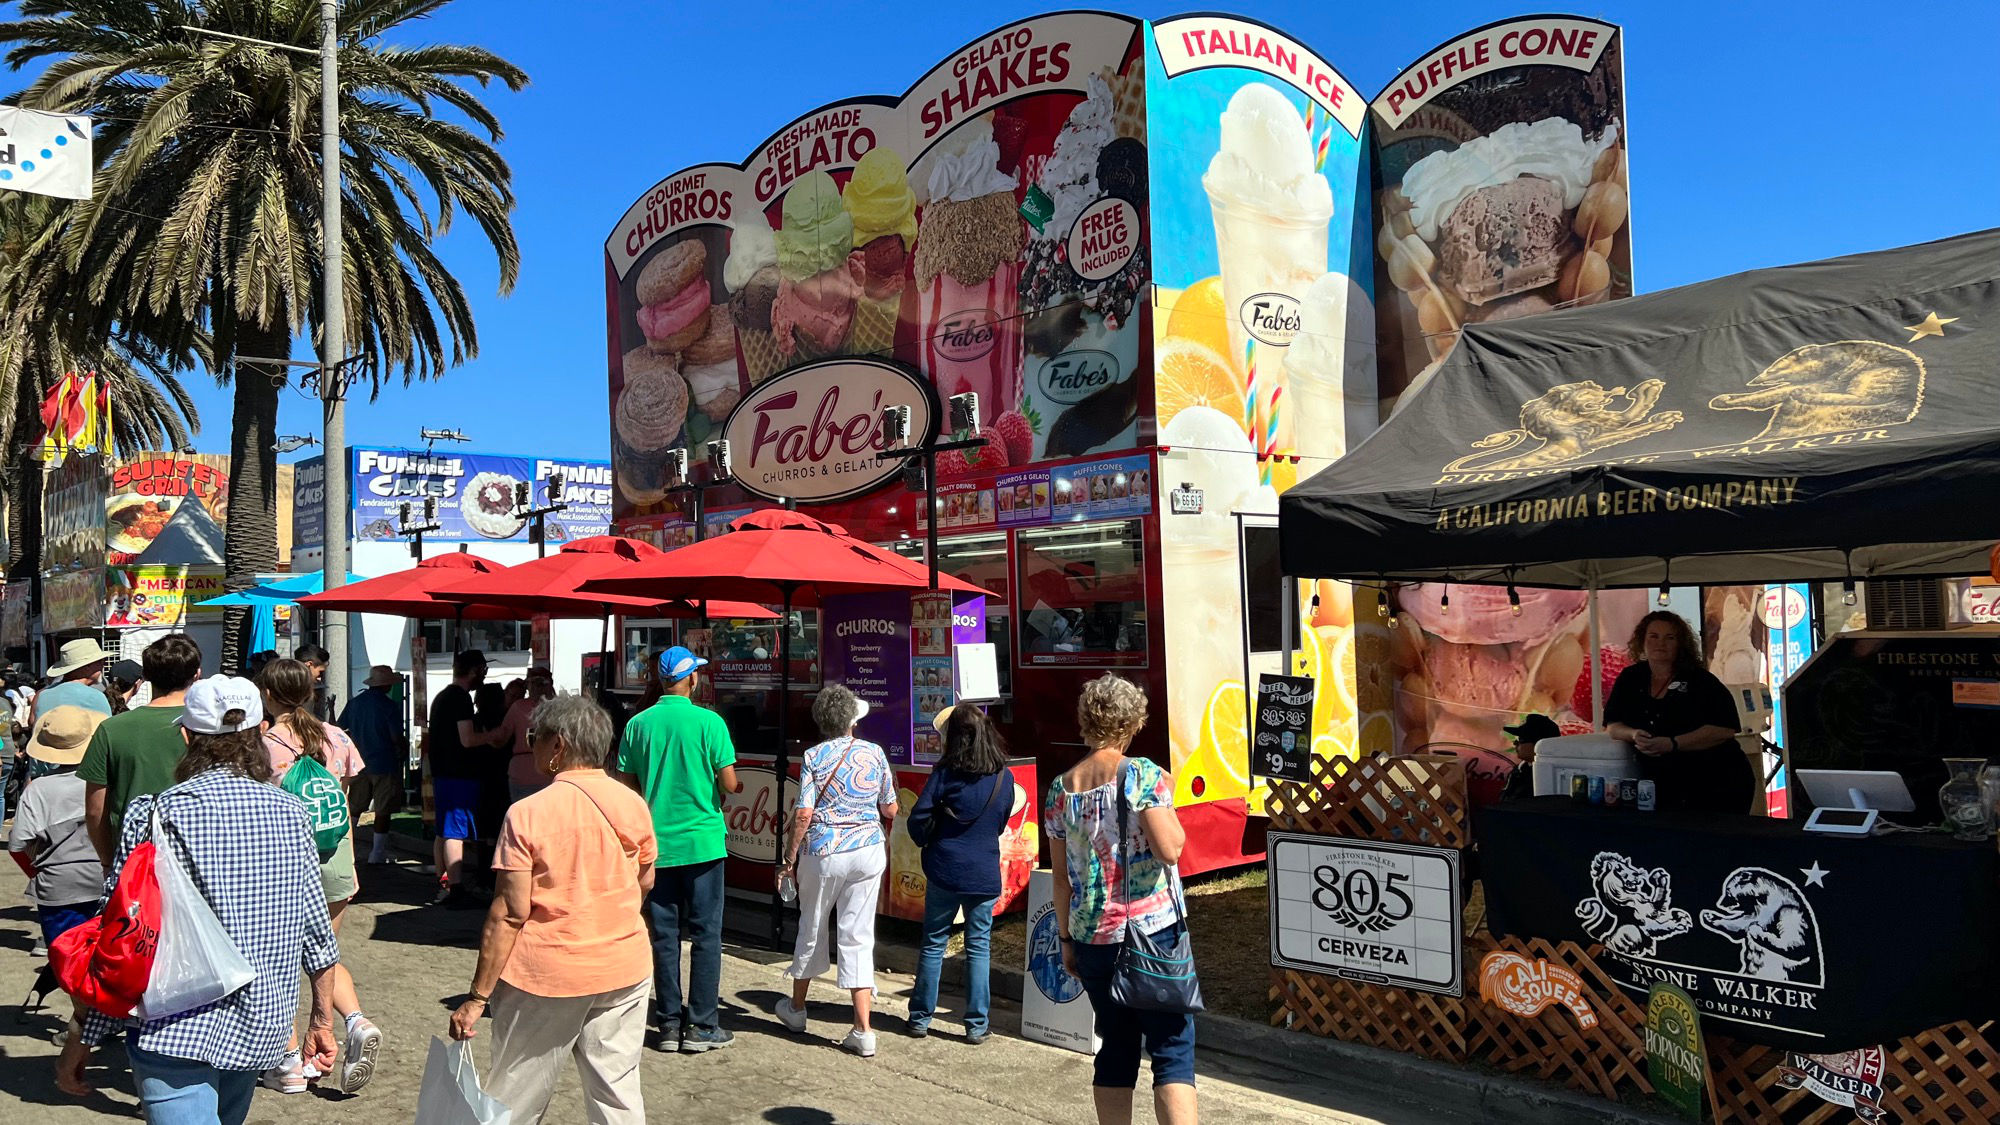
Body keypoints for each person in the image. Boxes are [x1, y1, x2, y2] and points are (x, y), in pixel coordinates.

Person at [57, 675, 341, 1124]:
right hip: (260, 1022)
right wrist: (322, 1020)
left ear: (188, 735)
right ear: (259, 732)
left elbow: (120, 929)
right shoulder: (291, 813)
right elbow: (316, 929)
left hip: (172, 1020)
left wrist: (84, 1035)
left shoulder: (156, 812)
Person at [449, 695, 656, 1124]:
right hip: (624, 964)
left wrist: (476, 997)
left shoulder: (527, 813)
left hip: (547, 974)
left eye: (533, 738)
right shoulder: (633, 803)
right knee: (617, 1092)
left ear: (557, 745)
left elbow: (508, 912)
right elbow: (644, 880)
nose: (531, 746)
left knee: (515, 1094)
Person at [1047, 674, 1196, 1125]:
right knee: (1172, 1047)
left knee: (1116, 1044)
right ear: (1132, 722)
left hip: (1093, 937)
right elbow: (1170, 849)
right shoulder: (1142, 775)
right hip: (1152, 936)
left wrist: (1066, 941)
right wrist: (1165, 801)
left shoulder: (1062, 787)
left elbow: (1061, 881)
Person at [257, 658, 380, 1095]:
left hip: (288, 867)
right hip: (336, 861)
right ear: (310, 693)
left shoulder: (263, 746)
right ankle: (355, 1021)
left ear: (267, 695)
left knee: (282, 964)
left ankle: (290, 1062)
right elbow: (345, 799)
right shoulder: (338, 737)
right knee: (325, 955)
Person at [612, 645, 741, 1054]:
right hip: (702, 843)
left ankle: (668, 1023)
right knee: (706, 935)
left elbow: (626, 784)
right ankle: (702, 1025)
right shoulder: (710, 722)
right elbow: (731, 782)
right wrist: (721, 787)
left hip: (656, 846)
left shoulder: (638, 724)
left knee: (664, 937)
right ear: (691, 678)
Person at [776, 684, 897, 1058]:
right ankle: (863, 1030)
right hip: (868, 851)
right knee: (858, 935)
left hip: (824, 853)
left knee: (812, 924)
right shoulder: (874, 753)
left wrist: (789, 858)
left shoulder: (813, 756)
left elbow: (803, 814)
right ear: (852, 720)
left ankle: (797, 1010)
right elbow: (890, 809)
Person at [905, 704, 1013, 1043]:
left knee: (934, 943)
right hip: (983, 872)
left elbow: (918, 819)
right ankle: (977, 1025)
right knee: (979, 947)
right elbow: (1000, 821)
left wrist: (929, 839)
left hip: (945, 868)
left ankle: (920, 1018)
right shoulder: (1003, 776)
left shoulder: (945, 773)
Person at [8, 706, 109, 1017]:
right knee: (104, 955)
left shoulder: (39, 789)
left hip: (58, 888)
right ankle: (102, 1016)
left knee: (68, 959)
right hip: (104, 879)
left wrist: (36, 872)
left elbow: (17, 844)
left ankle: (82, 1021)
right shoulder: (106, 780)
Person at [1604, 610, 1752, 814]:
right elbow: (1612, 726)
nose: (1660, 643)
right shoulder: (1631, 678)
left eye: (1669, 637)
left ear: (1681, 644)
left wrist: (1673, 744)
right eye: (1653, 636)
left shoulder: (1700, 681)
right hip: (1661, 785)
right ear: (1642, 640)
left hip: (1716, 781)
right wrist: (1633, 734)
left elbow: (1725, 730)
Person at [77, 633, 200, 868]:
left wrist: (107, 862)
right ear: (197, 674)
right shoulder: (213, 730)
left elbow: (95, 810)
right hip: (197, 857)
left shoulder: (111, 729)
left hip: (134, 863)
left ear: (147, 677)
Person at [428, 650, 506, 908]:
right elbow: (468, 739)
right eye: (483, 670)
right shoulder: (460, 699)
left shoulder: (442, 696)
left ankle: (445, 883)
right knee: (455, 833)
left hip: (443, 772)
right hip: (458, 774)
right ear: (475, 670)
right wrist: (493, 735)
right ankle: (456, 887)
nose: (484, 675)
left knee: (444, 831)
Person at [340, 666, 408, 865]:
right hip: (384, 763)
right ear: (386, 684)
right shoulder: (389, 706)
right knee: (382, 809)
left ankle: (346, 850)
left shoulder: (355, 704)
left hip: (359, 763)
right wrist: (403, 749)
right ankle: (376, 854)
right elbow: (396, 736)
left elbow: (342, 729)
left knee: (354, 809)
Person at [499, 667, 557, 803]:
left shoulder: (518, 707)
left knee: (521, 818)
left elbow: (501, 738)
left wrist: (483, 735)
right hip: (550, 771)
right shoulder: (559, 708)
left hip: (522, 773)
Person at [32, 638, 114, 723]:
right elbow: (105, 730)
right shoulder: (95, 697)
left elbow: (33, 723)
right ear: (87, 667)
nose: (103, 665)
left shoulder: (43, 695)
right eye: (100, 661)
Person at [1501, 713, 1561, 800]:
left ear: (1539, 744)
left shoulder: (1551, 775)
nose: (1515, 743)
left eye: (1521, 739)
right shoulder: (1520, 769)